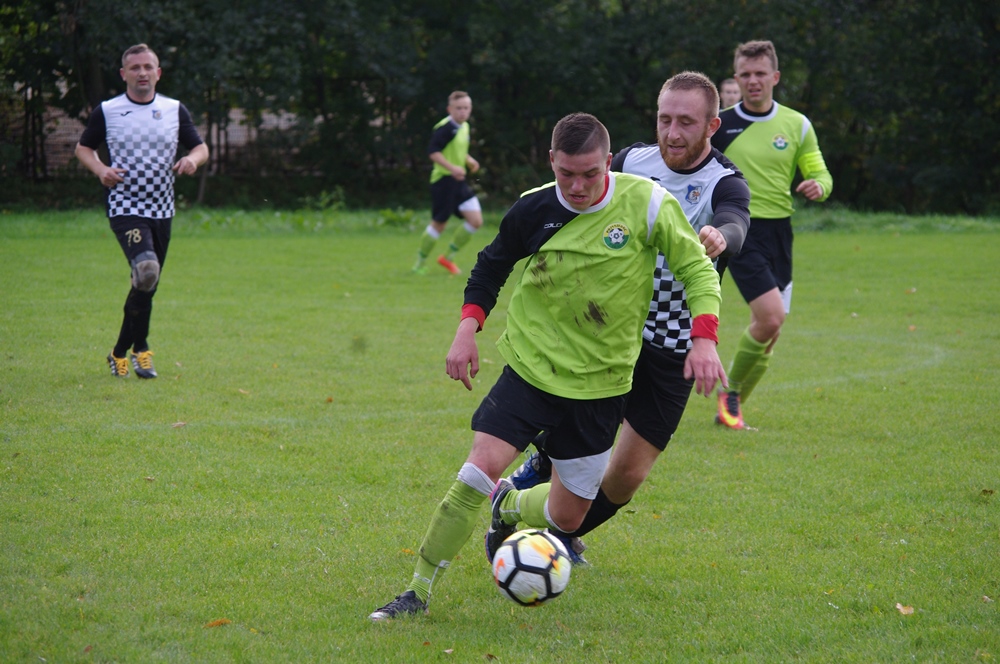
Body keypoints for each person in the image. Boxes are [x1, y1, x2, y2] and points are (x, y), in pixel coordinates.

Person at [370, 112, 725, 620]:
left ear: (609, 161)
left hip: (602, 384)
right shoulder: (533, 208)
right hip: (531, 369)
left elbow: (697, 270)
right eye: (566, 174)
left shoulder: (648, 204)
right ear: (551, 161)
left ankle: (510, 505)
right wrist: (467, 329)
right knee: (476, 472)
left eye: (590, 174)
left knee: (567, 516)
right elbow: (490, 266)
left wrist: (704, 339)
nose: (577, 187)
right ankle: (416, 593)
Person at [509, 72, 751, 563]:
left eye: (686, 122)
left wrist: (721, 236)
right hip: (611, 333)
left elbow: (736, 221)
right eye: (665, 119)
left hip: (674, 344)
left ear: (712, 126)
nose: (672, 133)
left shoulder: (725, 183)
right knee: (578, 445)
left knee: (626, 476)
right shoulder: (629, 162)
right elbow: (575, 193)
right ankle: (540, 499)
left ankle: (554, 532)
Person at [710, 39, 833, 429]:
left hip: (781, 233)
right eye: (745, 74)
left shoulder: (797, 124)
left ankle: (730, 409)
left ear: (775, 77)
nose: (753, 81)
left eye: (760, 73)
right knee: (771, 317)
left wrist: (819, 185)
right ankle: (729, 397)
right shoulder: (719, 125)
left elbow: (819, 171)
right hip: (739, 228)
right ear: (736, 78)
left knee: (770, 331)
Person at [75, 43, 208, 379]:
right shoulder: (108, 111)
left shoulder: (174, 110)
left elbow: (200, 147)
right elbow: (83, 148)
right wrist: (101, 170)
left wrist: (192, 160)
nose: (142, 73)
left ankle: (120, 351)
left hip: (162, 209)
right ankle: (142, 349)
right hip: (125, 206)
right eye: (135, 68)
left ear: (158, 73)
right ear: (124, 74)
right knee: (147, 270)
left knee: (147, 282)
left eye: (148, 67)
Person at [412, 90, 483, 276]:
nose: (463, 111)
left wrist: (468, 160)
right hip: (443, 182)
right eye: (458, 108)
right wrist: (452, 168)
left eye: (466, 108)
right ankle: (419, 263)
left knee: (476, 221)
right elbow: (433, 152)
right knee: (439, 224)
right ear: (449, 109)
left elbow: (456, 150)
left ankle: (447, 258)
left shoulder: (464, 126)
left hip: (458, 182)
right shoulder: (445, 128)